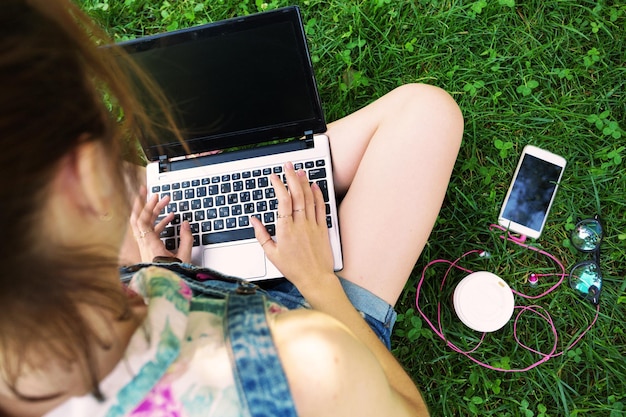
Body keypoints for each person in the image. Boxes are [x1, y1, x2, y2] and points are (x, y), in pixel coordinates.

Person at [0, 0, 463, 416]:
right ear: (82, 186)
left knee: (159, 187)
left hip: (184, 275)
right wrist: (318, 280)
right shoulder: (315, 363)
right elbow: (408, 411)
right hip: (316, 310)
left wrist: (158, 269)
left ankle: (223, 181)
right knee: (427, 113)